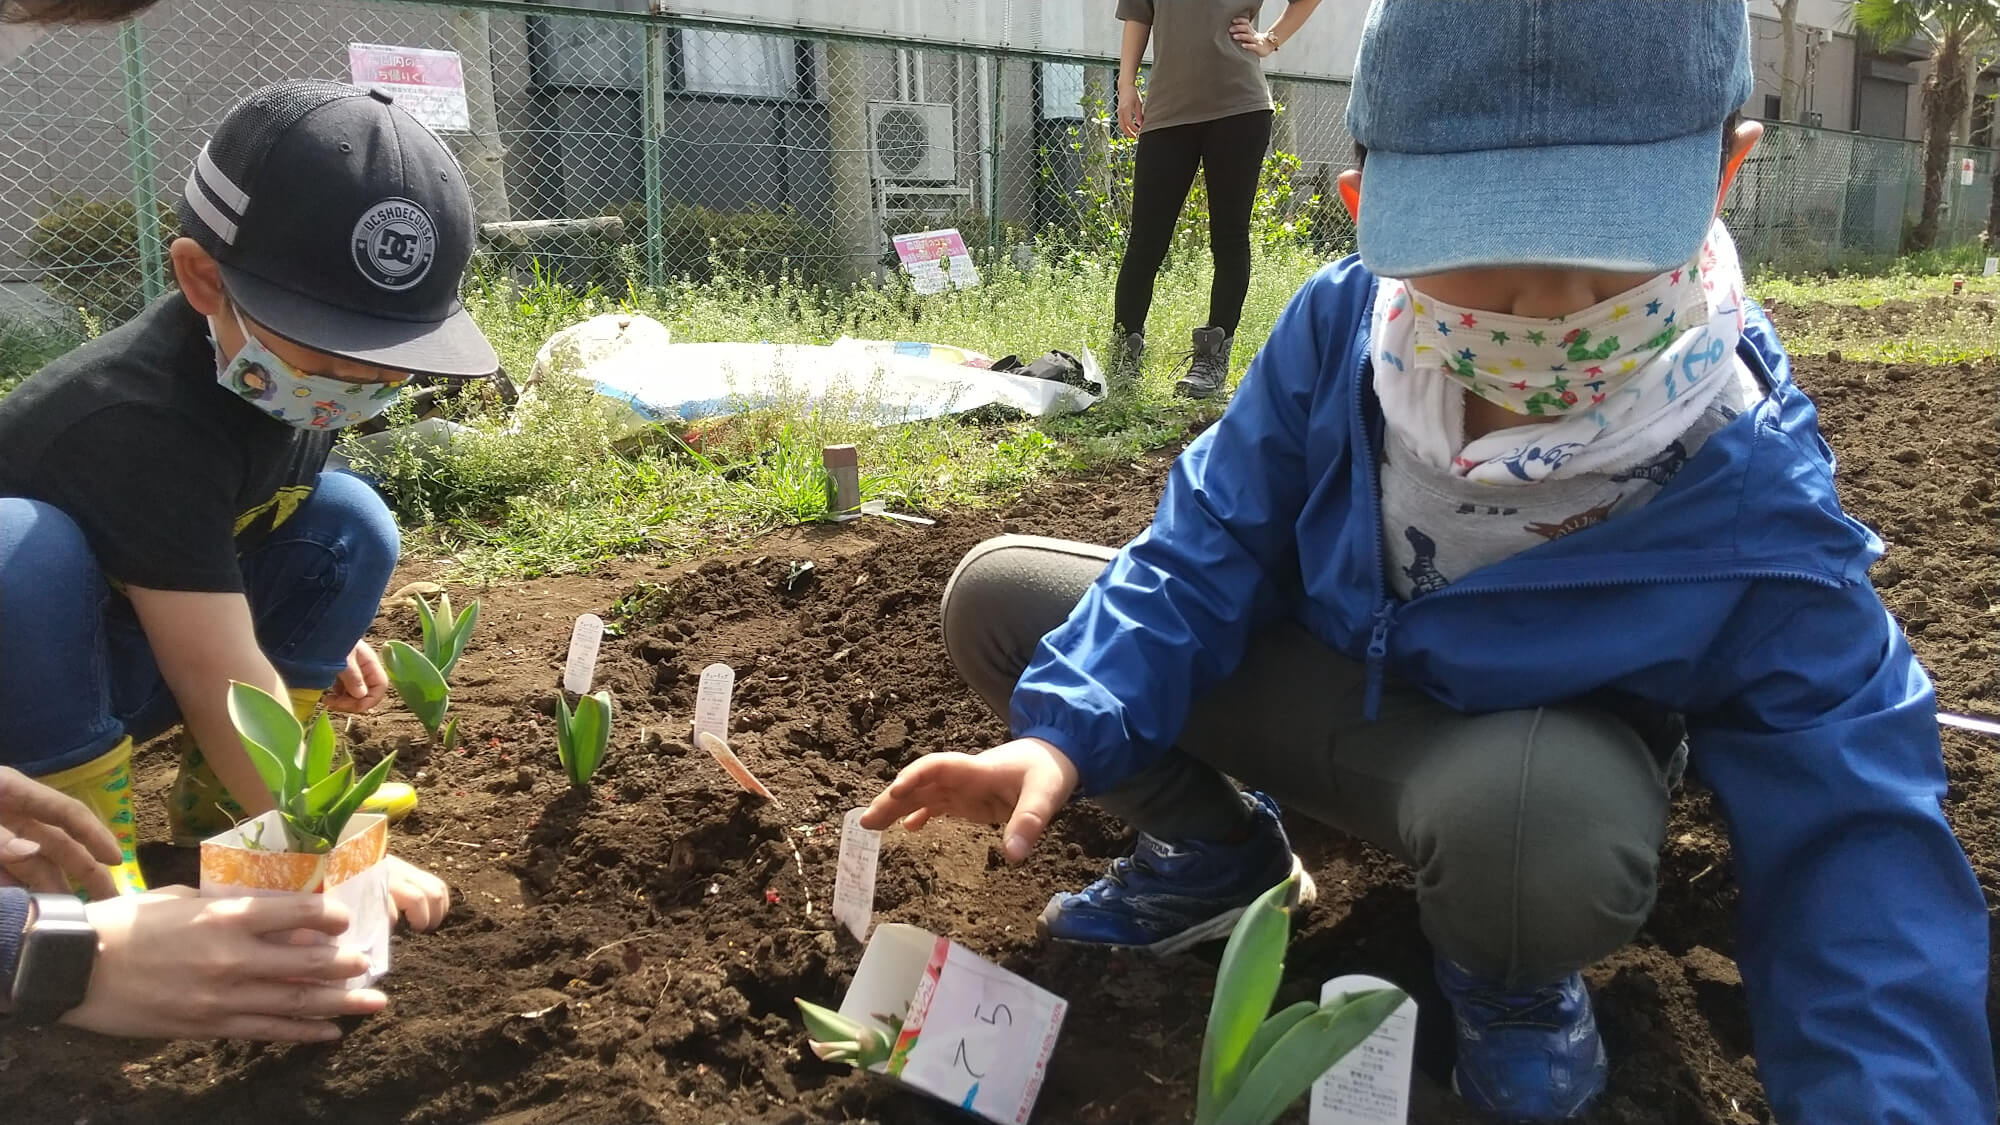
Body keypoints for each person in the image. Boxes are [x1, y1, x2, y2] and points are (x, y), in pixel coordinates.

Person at [863, 2, 1993, 1122]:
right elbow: (1205, 543)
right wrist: (1061, 733)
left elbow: (1857, 856)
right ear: (1366, 207)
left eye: (1596, 258)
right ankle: (1216, 858)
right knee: (1008, 606)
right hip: (1330, 691)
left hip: (1519, 783)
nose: (1537, 315)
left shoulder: (1743, 497)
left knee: (1535, 839)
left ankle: (1506, 980)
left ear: (1721, 172)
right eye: (1474, 254)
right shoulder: (1345, 332)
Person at [0, 78, 489, 1034]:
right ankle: (92, 874)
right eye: (329, 357)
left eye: (384, 362)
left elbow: (242, 540)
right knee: (22, 554)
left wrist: (298, 619)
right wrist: (338, 848)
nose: (355, 387)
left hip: (120, 645)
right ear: (200, 280)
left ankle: (234, 826)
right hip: (30, 684)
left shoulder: (270, 380)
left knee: (348, 518)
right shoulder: (139, 418)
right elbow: (216, 670)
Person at [1109, 0, 1323, 400]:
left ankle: (1212, 356)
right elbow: (1139, 14)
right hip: (1167, 110)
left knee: (1228, 236)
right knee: (1145, 241)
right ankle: (1125, 353)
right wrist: (1126, 86)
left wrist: (1269, 40)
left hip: (1239, 108)